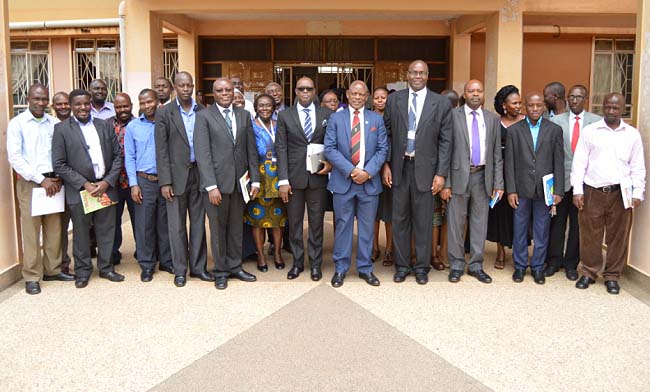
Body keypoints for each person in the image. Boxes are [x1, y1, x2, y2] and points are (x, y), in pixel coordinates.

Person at [382, 60, 453, 285]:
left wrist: (441, 173)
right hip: (400, 168)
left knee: (423, 221)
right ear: (407, 75)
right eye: (413, 72)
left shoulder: (440, 103)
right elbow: (387, 133)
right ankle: (402, 266)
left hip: (426, 171)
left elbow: (446, 141)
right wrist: (385, 164)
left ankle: (422, 267)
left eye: (422, 73)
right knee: (400, 219)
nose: (417, 76)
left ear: (428, 75)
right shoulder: (395, 100)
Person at [572, 93, 645, 295]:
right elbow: (579, 164)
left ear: (623, 109)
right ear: (603, 107)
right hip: (592, 191)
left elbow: (638, 166)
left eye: (615, 108)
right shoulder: (590, 131)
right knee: (590, 235)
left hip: (621, 193)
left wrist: (638, 192)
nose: (611, 111)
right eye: (608, 107)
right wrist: (577, 190)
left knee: (618, 236)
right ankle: (588, 272)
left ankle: (612, 276)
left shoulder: (632, 135)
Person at [52, 89, 124, 288]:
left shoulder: (104, 125)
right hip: (80, 190)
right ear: (72, 106)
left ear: (90, 104)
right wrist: (84, 184)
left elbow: (118, 156)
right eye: (78, 104)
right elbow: (59, 164)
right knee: (81, 233)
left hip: (105, 187)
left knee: (107, 230)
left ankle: (106, 268)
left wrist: (106, 182)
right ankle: (83, 271)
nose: (83, 108)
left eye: (86, 104)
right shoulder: (62, 129)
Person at [7, 84, 74, 294]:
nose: (41, 103)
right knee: (31, 230)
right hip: (31, 183)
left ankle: (52, 270)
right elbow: (15, 157)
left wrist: (59, 177)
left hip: (55, 181)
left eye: (44, 99)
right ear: (28, 98)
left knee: (54, 228)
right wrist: (40, 179)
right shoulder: (17, 124)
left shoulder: (54, 123)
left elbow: (61, 152)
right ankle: (32, 276)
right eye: (37, 98)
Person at [194, 78, 260, 290]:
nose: (225, 93)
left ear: (234, 92)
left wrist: (255, 179)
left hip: (240, 185)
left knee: (236, 228)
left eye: (228, 90)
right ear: (213, 93)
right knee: (218, 229)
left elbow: (251, 149)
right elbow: (203, 154)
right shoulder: (203, 116)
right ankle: (220, 271)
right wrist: (211, 186)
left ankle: (235, 266)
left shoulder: (244, 115)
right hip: (216, 186)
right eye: (220, 90)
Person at [324, 80, 388, 287]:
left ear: (367, 96)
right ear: (348, 95)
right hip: (344, 181)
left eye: (362, 94)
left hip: (369, 183)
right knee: (342, 226)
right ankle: (341, 268)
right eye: (354, 94)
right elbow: (330, 148)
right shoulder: (336, 118)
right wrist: (352, 171)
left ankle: (365, 268)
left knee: (367, 228)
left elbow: (382, 150)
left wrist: (368, 172)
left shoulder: (376, 120)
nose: (358, 97)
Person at [441, 80, 503, 283]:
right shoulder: (452, 116)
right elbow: (446, 151)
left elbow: (496, 154)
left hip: (483, 177)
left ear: (483, 94)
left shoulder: (492, 119)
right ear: (464, 95)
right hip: (458, 176)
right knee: (456, 224)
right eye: (471, 91)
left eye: (479, 91)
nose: (475, 94)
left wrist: (498, 183)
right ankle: (457, 264)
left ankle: (476, 265)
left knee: (479, 223)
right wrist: (446, 183)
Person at [155, 71, 210, 287]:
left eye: (189, 85)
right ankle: (180, 270)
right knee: (176, 226)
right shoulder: (165, 113)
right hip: (176, 177)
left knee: (198, 223)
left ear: (193, 86)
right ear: (174, 88)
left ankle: (198, 268)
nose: (186, 89)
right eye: (181, 85)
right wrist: (165, 181)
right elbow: (161, 150)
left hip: (199, 174)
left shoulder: (203, 111)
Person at [275, 76, 333, 281]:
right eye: (301, 89)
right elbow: (280, 148)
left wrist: (331, 164)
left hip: (318, 177)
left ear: (314, 91)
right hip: (293, 178)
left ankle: (316, 264)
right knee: (296, 224)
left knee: (317, 224)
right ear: (296, 92)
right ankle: (298, 263)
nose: (305, 92)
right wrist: (283, 180)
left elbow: (332, 143)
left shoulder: (326, 114)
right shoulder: (285, 116)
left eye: (309, 88)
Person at [505, 92, 564, 284]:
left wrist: (558, 191)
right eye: (531, 105)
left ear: (544, 107)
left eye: (539, 105)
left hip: (544, 190)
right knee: (519, 228)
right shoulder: (514, 131)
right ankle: (520, 266)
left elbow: (558, 163)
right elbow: (509, 163)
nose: (536, 109)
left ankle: (538, 266)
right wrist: (511, 190)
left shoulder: (554, 130)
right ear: (525, 107)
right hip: (521, 189)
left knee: (542, 229)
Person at [545, 85, 601, 281]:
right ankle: (553, 261)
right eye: (572, 97)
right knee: (557, 223)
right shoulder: (555, 121)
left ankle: (571, 263)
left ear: (586, 99)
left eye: (579, 97)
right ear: (567, 99)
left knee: (578, 226)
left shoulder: (596, 122)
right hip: (561, 181)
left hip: (584, 184)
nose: (575, 100)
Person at [124, 89, 173, 282]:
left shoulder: (166, 122)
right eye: (143, 103)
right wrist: (134, 184)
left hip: (165, 180)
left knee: (165, 223)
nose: (147, 106)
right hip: (144, 180)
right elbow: (130, 157)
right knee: (144, 225)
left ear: (157, 101)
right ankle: (147, 264)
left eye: (150, 102)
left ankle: (167, 261)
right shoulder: (133, 127)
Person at [243, 94, 287, 272]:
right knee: (258, 219)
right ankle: (260, 254)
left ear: (274, 107)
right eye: (261, 105)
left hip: (278, 177)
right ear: (255, 107)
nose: (265, 108)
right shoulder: (250, 127)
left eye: (268, 105)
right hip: (258, 178)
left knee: (278, 219)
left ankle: (277, 252)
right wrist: (253, 180)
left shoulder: (279, 126)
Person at [487, 85, 525, 269]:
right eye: (514, 103)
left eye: (519, 102)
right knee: (500, 213)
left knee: (520, 212)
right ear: (504, 105)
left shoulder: (526, 121)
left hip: (521, 173)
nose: (519, 106)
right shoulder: (495, 122)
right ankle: (501, 251)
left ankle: (520, 251)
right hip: (500, 173)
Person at [109, 93, 136, 265]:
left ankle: (142, 250)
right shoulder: (106, 125)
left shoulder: (139, 123)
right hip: (113, 182)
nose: (122, 110)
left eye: (125, 106)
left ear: (131, 106)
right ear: (114, 108)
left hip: (134, 182)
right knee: (112, 220)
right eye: (119, 107)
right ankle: (113, 253)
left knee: (139, 220)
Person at [371, 87, 393, 266]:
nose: (380, 100)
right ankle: (374, 247)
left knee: (389, 212)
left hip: (390, 170)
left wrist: (386, 163)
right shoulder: (368, 117)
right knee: (373, 213)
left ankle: (389, 249)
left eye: (383, 97)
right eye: (377, 98)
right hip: (370, 170)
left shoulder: (393, 118)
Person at [52, 91, 73, 274]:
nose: (64, 107)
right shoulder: (51, 126)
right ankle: (62, 264)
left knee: (84, 225)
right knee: (60, 226)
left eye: (67, 103)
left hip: (76, 184)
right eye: (59, 104)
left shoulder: (78, 125)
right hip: (56, 184)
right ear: (53, 106)